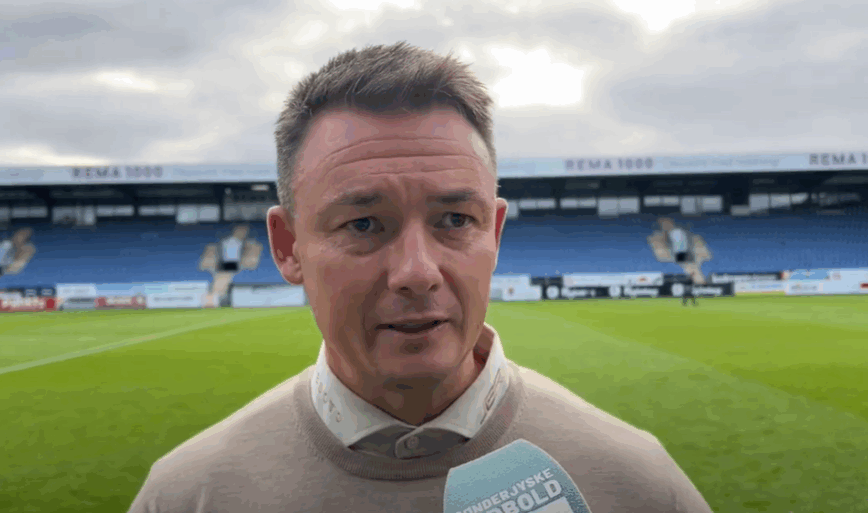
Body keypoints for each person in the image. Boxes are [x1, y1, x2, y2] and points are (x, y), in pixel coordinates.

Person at [127, 42, 713, 513]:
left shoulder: (636, 482)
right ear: (288, 247)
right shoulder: (189, 495)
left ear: (494, 235)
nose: (416, 273)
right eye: (363, 224)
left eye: (455, 220)